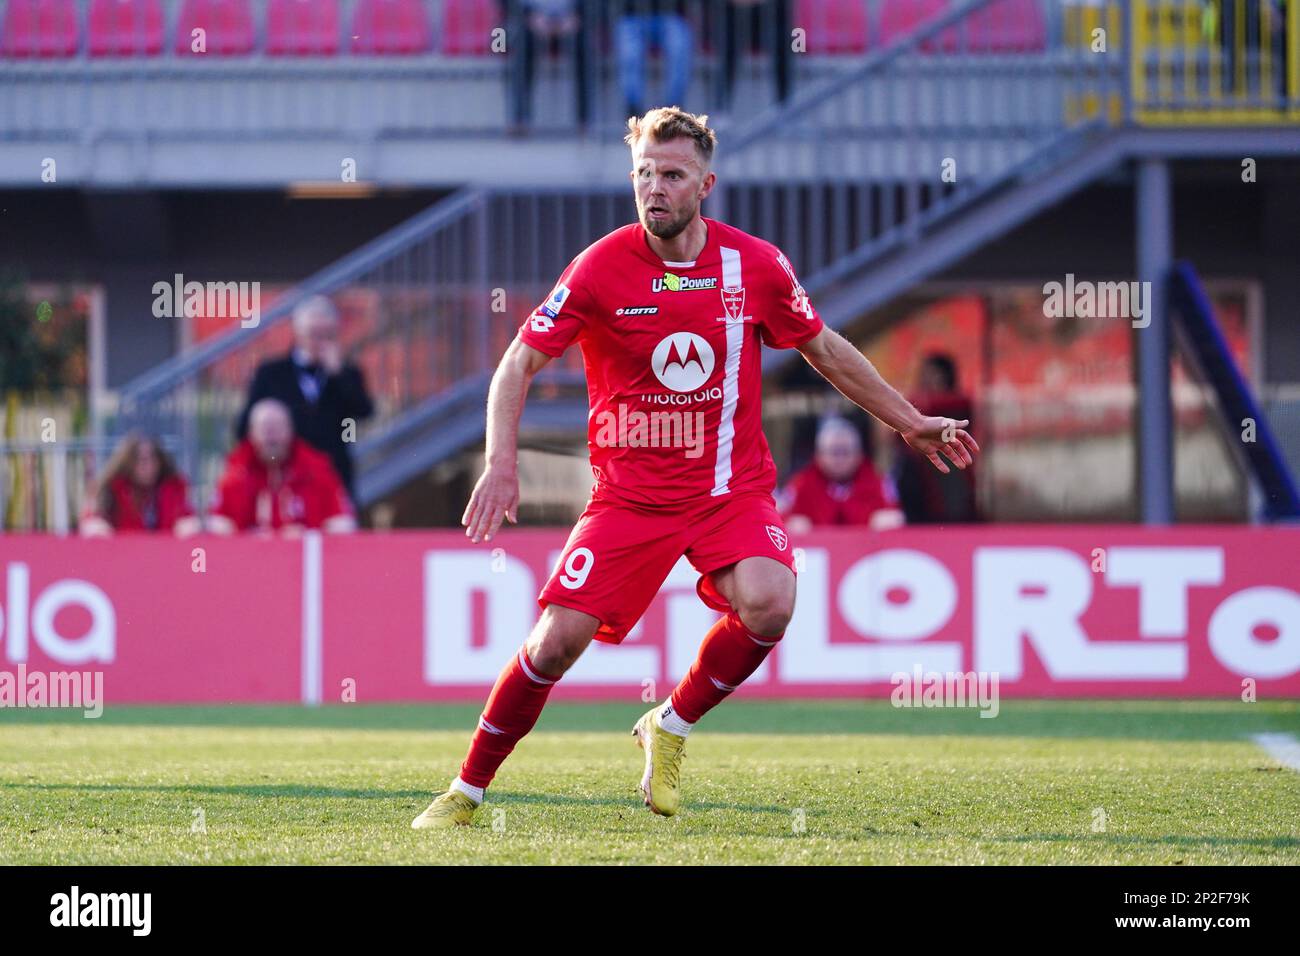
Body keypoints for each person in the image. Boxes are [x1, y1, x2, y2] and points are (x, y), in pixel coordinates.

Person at [411, 106, 978, 829]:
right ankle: (467, 791)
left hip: (727, 490)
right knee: (553, 645)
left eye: (672, 175)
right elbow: (518, 362)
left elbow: (825, 349)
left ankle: (670, 726)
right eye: (644, 174)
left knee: (773, 602)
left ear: (706, 183)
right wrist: (500, 463)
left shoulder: (757, 266)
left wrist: (909, 421)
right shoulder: (599, 267)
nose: (656, 188)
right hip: (629, 500)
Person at [235, 295, 374, 504]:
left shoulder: (348, 373)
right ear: (298, 334)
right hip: (284, 478)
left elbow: (364, 412)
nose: (320, 341)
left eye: (328, 335)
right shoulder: (272, 372)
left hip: (333, 475)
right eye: (314, 334)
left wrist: (340, 375)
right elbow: (245, 426)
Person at [210, 398, 356, 535]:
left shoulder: (316, 470)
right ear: (251, 433)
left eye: (277, 428)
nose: (271, 437)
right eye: (265, 429)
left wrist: (309, 535)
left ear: (290, 430)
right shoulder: (236, 473)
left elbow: (343, 521)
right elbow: (216, 523)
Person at [893, 352, 978, 524]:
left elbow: (936, 405)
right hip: (919, 475)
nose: (927, 380)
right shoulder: (913, 408)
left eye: (933, 374)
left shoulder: (958, 404)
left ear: (947, 377)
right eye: (924, 374)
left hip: (950, 472)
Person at [779, 416, 904, 532]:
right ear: (819, 456)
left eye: (845, 452)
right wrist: (791, 522)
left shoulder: (878, 482)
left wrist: (888, 520)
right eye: (834, 452)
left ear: (859, 455)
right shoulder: (801, 483)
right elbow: (779, 516)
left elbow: (895, 514)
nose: (840, 460)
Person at [79, 431, 200, 536]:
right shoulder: (112, 488)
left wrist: (189, 525)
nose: (148, 466)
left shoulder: (174, 488)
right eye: (141, 460)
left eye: (153, 458)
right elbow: (92, 517)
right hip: (124, 553)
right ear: (128, 462)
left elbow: (188, 517)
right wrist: (96, 525)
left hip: (167, 553)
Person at [505, 0, 591, 132]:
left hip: (570, 22)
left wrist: (577, 16)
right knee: (522, 46)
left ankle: (584, 120)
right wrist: (529, 16)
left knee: (584, 48)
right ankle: (519, 119)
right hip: (533, 23)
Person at [617, 1, 694, 119]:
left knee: (679, 47)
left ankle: (673, 112)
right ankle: (634, 112)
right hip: (632, 16)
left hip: (670, 14)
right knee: (629, 55)